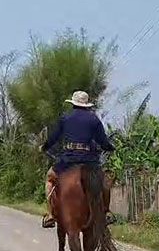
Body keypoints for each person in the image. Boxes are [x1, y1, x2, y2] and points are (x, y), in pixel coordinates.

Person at [40, 90, 115, 228]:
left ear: (73, 104)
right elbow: (102, 141)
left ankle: (50, 214)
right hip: (89, 160)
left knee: (50, 178)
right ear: (87, 105)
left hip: (68, 160)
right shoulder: (94, 119)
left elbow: (54, 137)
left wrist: (44, 147)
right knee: (104, 182)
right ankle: (106, 212)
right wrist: (110, 147)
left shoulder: (65, 118)